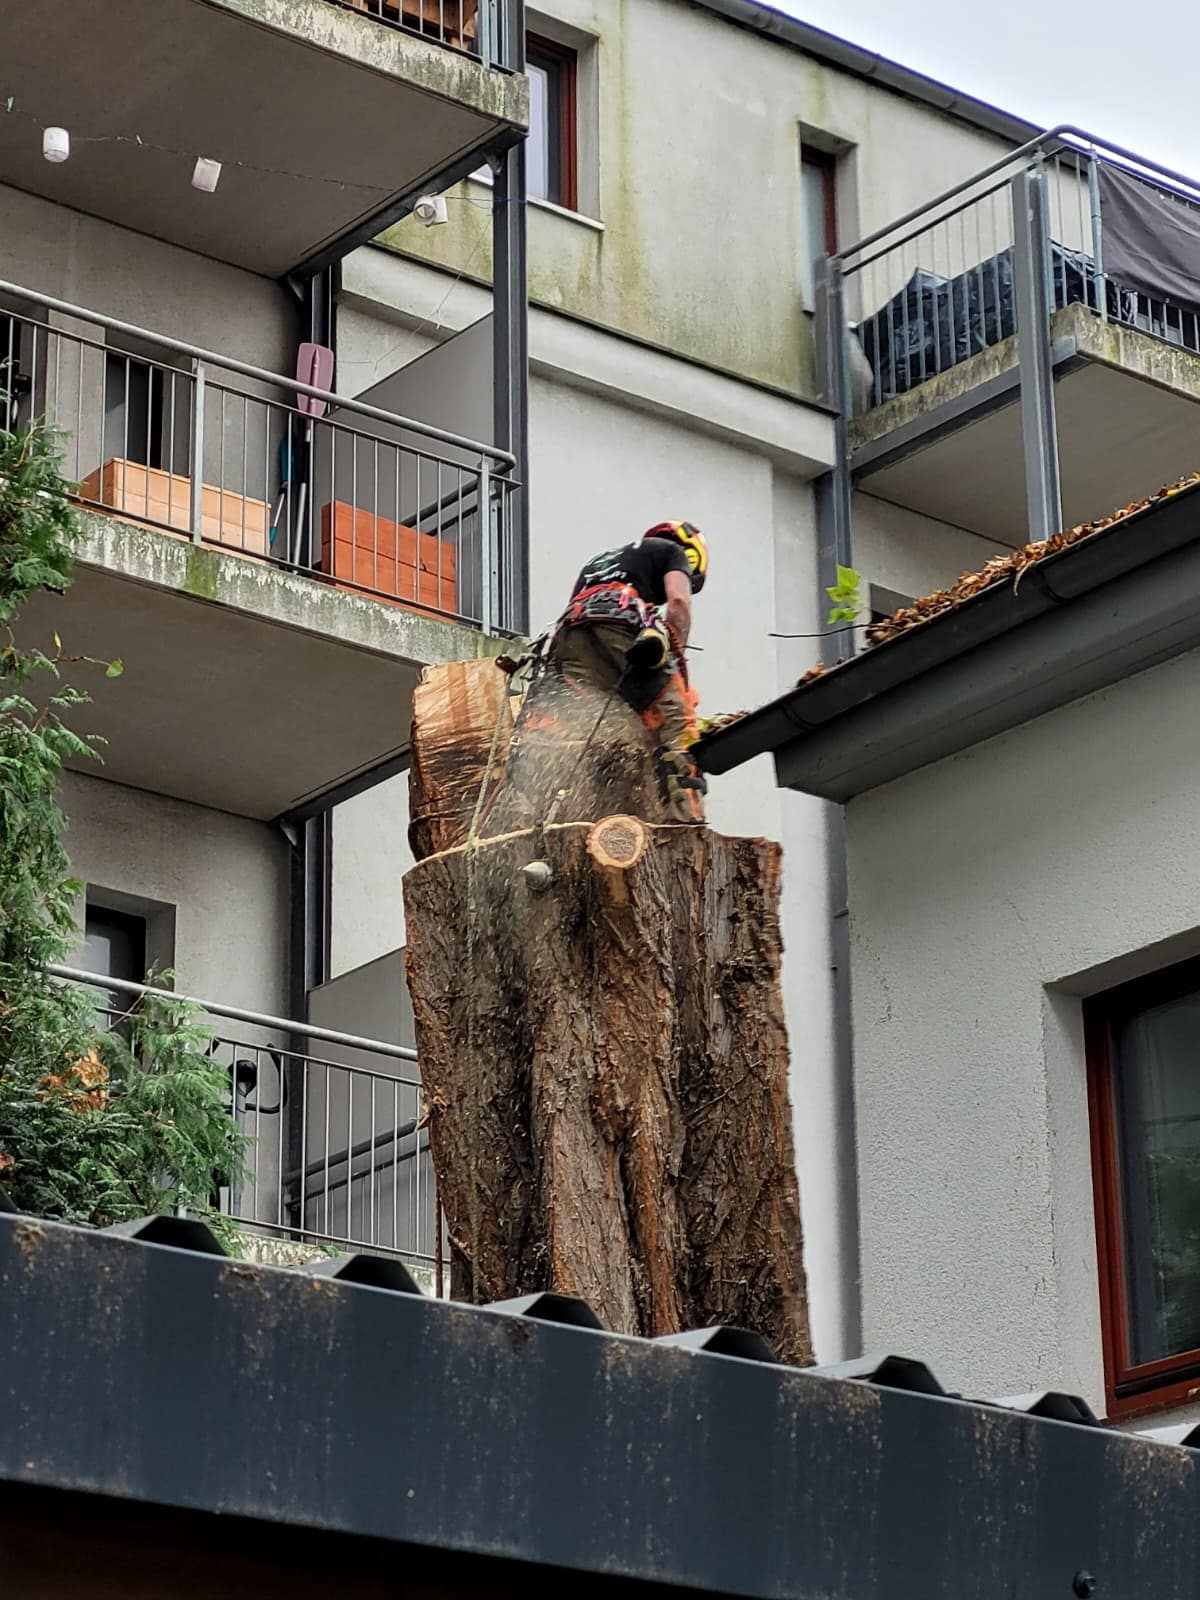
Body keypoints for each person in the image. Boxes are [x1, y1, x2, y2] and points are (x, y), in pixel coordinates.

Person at [532, 521, 709, 823]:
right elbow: (678, 601)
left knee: (575, 728)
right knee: (679, 726)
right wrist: (676, 661)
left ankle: (550, 814)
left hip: (570, 639)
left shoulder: (597, 562)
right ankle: (687, 823)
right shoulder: (671, 551)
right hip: (622, 622)